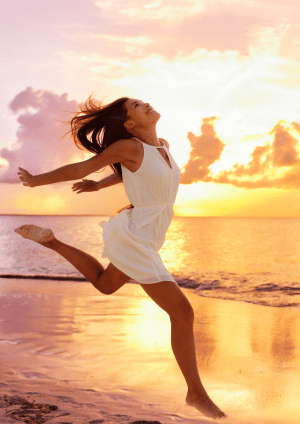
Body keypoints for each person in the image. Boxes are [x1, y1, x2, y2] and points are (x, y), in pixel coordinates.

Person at [14, 96, 226, 419]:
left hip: (149, 236)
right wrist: (35, 180)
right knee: (182, 313)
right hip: (139, 236)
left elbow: (136, 174)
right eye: (138, 107)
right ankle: (195, 393)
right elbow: (80, 167)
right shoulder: (128, 147)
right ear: (129, 125)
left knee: (106, 283)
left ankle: (52, 241)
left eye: (143, 102)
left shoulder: (162, 146)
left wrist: (99, 187)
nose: (147, 105)